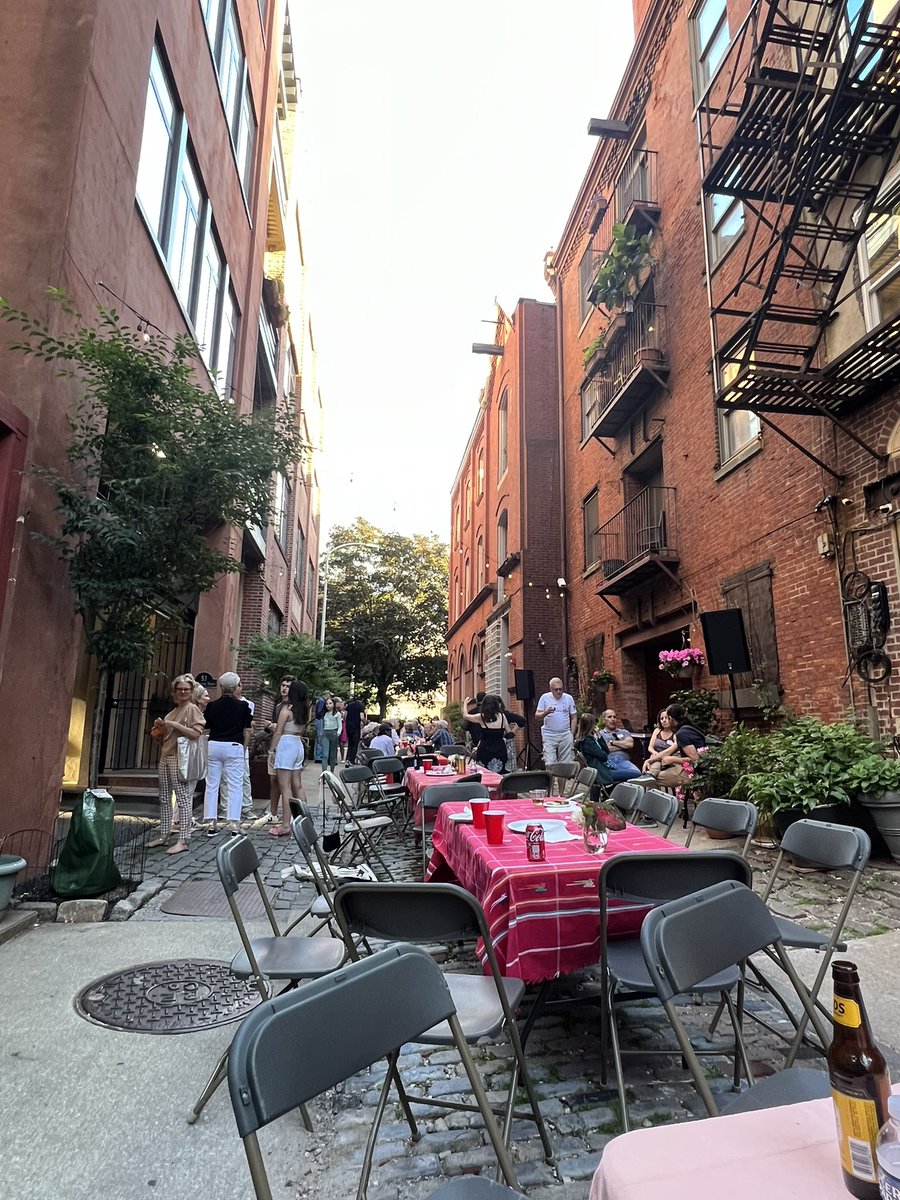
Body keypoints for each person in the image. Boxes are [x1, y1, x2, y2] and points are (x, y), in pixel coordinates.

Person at [148, 674, 205, 855]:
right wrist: (160, 728)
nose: (182, 692)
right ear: (174, 691)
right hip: (166, 755)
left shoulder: (192, 709)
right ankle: (164, 834)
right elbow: (165, 736)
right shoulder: (173, 711)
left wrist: (173, 724)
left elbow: (196, 733)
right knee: (164, 796)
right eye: (179, 689)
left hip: (179, 757)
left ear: (191, 691)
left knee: (182, 798)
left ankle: (183, 839)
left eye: (186, 690)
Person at [202, 671, 252, 838]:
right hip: (233, 745)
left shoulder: (212, 706)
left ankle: (211, 823)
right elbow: (247, 730)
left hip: (214, 744)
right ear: (236, 686)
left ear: (222, 687)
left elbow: (206, 726)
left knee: (212, 784)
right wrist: (243, 748)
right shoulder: (243, 706)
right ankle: (234, 824)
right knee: (235, 785)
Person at [267, 680, 310, 837]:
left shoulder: (287, 709)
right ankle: (304, 819)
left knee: (285, 787)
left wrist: (271, 751)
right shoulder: (305, 709)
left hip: (286, 744)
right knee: (297, 785)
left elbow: (278, 732)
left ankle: (286, 825)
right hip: (298, 744)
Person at [655, 703, 708, 787]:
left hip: (695, 773)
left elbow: (695, 760)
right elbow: (669, 751)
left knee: (655, 779)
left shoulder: (682, 734)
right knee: (654, 773)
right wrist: (649, 761)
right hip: (696, 769)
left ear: (670, 718)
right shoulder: (689, 728)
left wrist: (673, 759)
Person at [264, 677, 294, 822]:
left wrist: (274, 727)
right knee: (273, 781)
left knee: (287, 785)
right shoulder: (278, 705)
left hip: (285, 747)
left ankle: (289, 816)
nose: (284, 688)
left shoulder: (292, 706)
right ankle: (273, 813)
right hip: (276, 745)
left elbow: (284, 729)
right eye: (282, 685)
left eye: (287, 686)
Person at [534, 677, 577, 766]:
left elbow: (574, 717)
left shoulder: (568, 698)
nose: (558, 692)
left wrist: (571, 734)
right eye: (556, 689)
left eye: (560, 689)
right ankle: (552, 780)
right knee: (550, 763)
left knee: (566, 765)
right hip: (549, 735)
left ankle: (562, 780)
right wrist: (545, 712)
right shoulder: (545, 698)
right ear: (551, 689)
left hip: (565, 734)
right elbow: (537, 716)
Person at [464, 694, 509, 774]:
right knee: (500, 775)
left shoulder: (480, 717)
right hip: (500, 750)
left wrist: (465, 704)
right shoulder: (502, 717)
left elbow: (465, 716)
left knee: (484, 774)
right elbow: (509, 732)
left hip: (484, 751)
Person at [574, 712, 614, 799]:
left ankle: (606, 795)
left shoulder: (580, 740)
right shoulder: (588, 742)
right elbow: (604, 755)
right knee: (633, 774)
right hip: (601, 772)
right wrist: (599, 736)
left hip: (597, 770)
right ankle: (609, 796)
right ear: (591, 726)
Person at [598, 708, 642, 781]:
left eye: (614, 717)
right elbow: (604, 748)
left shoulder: (624, 732)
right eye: (609, 717)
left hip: (623, 761)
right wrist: (623, 746)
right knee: (635, 776)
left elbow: (630, 744)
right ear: (603, 720)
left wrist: (612, 742)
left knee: (637, 775)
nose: (613, 719)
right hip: (609, 762)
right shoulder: (600, 734)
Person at [642, 708, 676, 777]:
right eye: (661, 718)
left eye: (666, 718)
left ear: (671, 719)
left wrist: (661, 756)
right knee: (655, 762)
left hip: (669, 757)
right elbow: (650, 747)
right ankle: (649, 777)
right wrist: (655, 753)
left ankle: (650, 777)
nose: (664, 720)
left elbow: (675, 748)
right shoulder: (657, 731)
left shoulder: (675, 733)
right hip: (656, 756)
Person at [321, 695, 342, 769]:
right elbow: (322, 724)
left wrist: (338, 733)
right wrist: (321, 733)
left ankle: (332, 771)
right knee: (325, 754)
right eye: (327, 703)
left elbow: (340, 725)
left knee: (332, 755)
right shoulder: (325, 714)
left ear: (333, 704)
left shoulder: (337, 714)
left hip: (333, 733)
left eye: (330, 703)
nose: (328, 705)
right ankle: (324, 772)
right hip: (325, 733)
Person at [344, 694, 366, 763]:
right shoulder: (361, 706)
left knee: (350, 743)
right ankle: (351, 759)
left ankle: (347, 758)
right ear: (361, 699)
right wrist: (365, 722)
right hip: (356, 727)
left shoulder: (349, 705)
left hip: (348, 726)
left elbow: (345, 715)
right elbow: (361, 717)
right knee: (355, 743)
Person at [313, 690, 331, 764]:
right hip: (320, 720)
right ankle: (319, 756)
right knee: (320, 737)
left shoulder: (320, 701)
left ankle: (319, 755)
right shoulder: (322, 701)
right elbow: (320, 712)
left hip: (319, 720)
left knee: (320, 737)